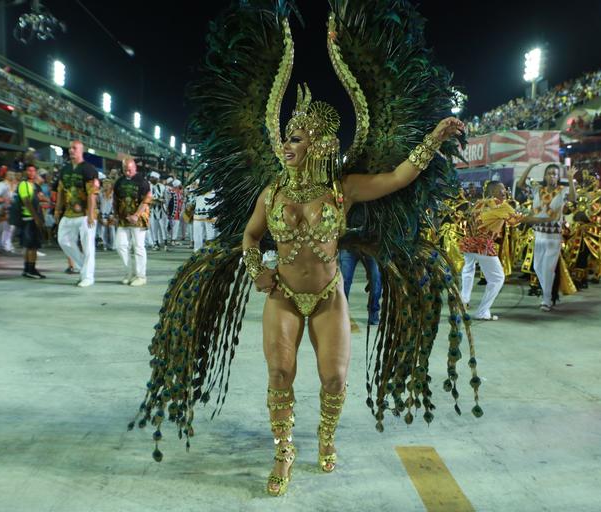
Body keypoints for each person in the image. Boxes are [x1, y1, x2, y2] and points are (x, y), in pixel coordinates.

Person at [131, 5, 482, 499]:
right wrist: (258, 271)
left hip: (328, 297)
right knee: (280, 373)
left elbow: (398, 177)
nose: (285, 145)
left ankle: (325, 435)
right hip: (283, 297)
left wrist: (434, 139)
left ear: (318, 141)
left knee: (334, 379)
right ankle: (283, 451)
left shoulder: (345, 189)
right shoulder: (270, 194)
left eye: (294, 137)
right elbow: (250, 237)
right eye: (285, 137)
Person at [516, 163, 577, 311]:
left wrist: (570, 179)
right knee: (537, 267)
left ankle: (546, 299)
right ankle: (549, 294)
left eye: (555, 174)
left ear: (558, 177)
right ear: (545, 176)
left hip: (553, 237)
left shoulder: (562, 191)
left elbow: (573, 199)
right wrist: (529, 166)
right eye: (549, 173)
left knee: (548, 269)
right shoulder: (538, 189)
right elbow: (520, 184)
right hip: (538, 234)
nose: (552, 176)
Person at [459, 181, 522, 320]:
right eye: (502, 190)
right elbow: (515, 221)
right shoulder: (500, 204)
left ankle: (464, 299)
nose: (504, 192)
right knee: (498, 278)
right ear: (493, 191)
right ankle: (482, 312)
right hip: (483, 245)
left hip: (468, 243)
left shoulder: (478, 203)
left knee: (468, 269)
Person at [54, 140, 99, 287]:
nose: (71, 150)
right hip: (69, 212)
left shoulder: (88, 169)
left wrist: (91, 214)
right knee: (63, 239)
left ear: (81, 150)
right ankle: (83, 265)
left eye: (75, 148)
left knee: (88, 246)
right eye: (70, 148)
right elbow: (60, 191)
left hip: (86, 214)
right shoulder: (65, 169)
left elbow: (92, 193)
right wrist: (57, 210)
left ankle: (88, 277)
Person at [113, 158, 152, 286]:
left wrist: (136, 215)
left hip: (139, 219)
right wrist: (116, 215)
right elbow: (116, 200)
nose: (128, 172)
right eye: (125, 170)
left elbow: (147, 199)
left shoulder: (142, 181)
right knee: (120, 245)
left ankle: (141, 276)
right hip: (123, 219)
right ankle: (129, 273)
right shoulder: (119, 182)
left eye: (130, 170)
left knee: (138, 247)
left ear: (135, 168)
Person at [18, 165, 46, 279]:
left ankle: (27, 269)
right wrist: (36, 218)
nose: (32, 172)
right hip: (29, 219)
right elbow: (26, 202)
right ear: (25, 172)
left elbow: (39, 199)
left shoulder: (34, 185)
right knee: (32, 246)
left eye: (34, 170)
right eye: (29, 170)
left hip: (32, 218)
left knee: (30, 246)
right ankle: (31, 269)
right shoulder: (23, 185)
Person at [0, 170, 18, 253]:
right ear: (5, 175)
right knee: (2, 228)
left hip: (12, 209)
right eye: (10, 174)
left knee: (11, 228)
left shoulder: (15, 185)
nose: (12, 175)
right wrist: (5, 200)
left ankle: (7, 245)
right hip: (2, 209)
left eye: (13, 174)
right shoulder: (1, 185)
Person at [190, 183, 217, 252]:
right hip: (198, 217)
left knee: (211, 237)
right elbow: (191, 203)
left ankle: (210, 252)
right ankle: (197, 252)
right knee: (198, 237)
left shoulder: (215, 192)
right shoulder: (196, 193)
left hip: (210, 217)